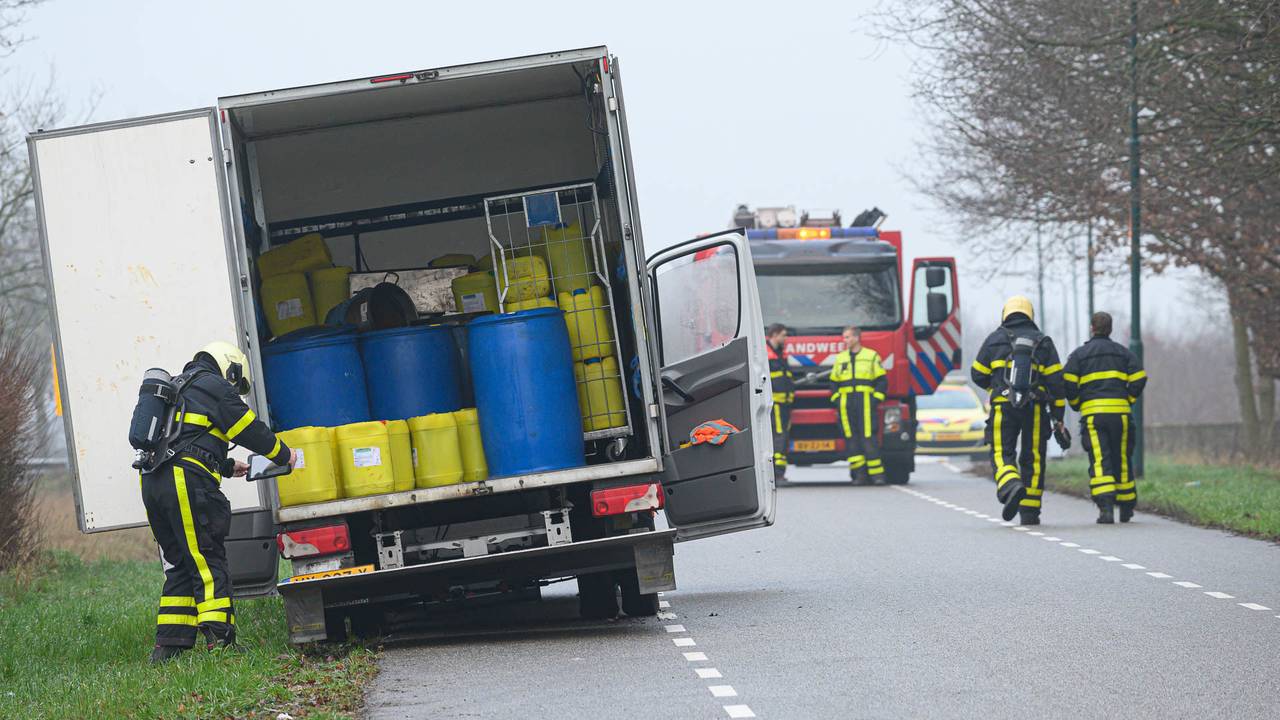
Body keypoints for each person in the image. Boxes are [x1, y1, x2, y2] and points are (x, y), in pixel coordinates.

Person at [142, 341, 294, 663]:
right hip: (183, 480)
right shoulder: (215, 386)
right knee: (207, 559)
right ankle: (220, 641)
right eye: (236, 384)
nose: (235, 391)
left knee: (181, 563)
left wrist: (225, 466)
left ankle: (169, 647)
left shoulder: (180, 386)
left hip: (154, 482)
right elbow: (249, 429)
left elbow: (184, 438)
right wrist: (284, 455)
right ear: (231, 368)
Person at [971, 296, 1066, 524]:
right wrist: (1058, 417)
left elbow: (977, 374)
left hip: (1003, 407)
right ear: (1030, 314)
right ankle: (1030, 512)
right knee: (1033, 457)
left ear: (1005, 314)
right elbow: (1057, 384)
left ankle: (1010, 484)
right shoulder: (1043, 342)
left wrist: (997, 388)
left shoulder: (994, 340)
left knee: (1001, 451)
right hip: (1035, 407)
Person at [1063, 312, 1148, 524]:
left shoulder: (1079, 355)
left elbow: (1068, 382)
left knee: (1101, 460)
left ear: (1092, 328)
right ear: (1110, 329)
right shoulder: (1123, 353)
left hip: (1094, 417)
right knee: (1122, 458)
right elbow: (1139, 378)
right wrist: (1128, 399)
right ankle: (1126, 507)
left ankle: (1106, 509)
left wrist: (1077, 404)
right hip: (1121, 415)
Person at [829, 325, 887, 484]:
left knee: (868, 438)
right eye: (844, 337)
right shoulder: (841, 358)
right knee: (851, 439)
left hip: (865, 403)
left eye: (847, 337)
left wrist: (875, 399)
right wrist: (837, 399)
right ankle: (859, 475)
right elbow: (833, 382)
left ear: (856, 337)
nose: (845, 340)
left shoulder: (871, 356)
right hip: (846, 404)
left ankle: (877, 476)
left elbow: (882, 381)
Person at [766, 324, 796, 481]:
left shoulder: (780, 353)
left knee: (782, 436)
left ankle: (779, 473)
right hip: (776, 403)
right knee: (779, 437)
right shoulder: (765, 353)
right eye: (783, 335)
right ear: (775, 335)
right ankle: (778, 474)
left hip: (784, 403)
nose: (786, 338)